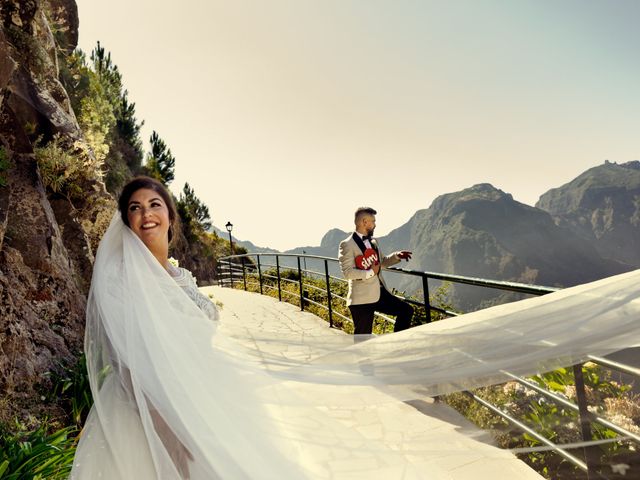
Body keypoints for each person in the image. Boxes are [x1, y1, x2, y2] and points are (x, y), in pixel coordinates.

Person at [338, 207, 414, 334]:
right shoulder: (347, 244)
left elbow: (381, 263)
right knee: (362, 340)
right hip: (361, 299)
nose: (375, 224)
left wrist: (397, 256)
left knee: (406, 311)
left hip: (380, 293)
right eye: (373, 221)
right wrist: (370, 272)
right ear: (364, 222)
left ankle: (398, 346)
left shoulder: (373, 242)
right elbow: (348, 272)